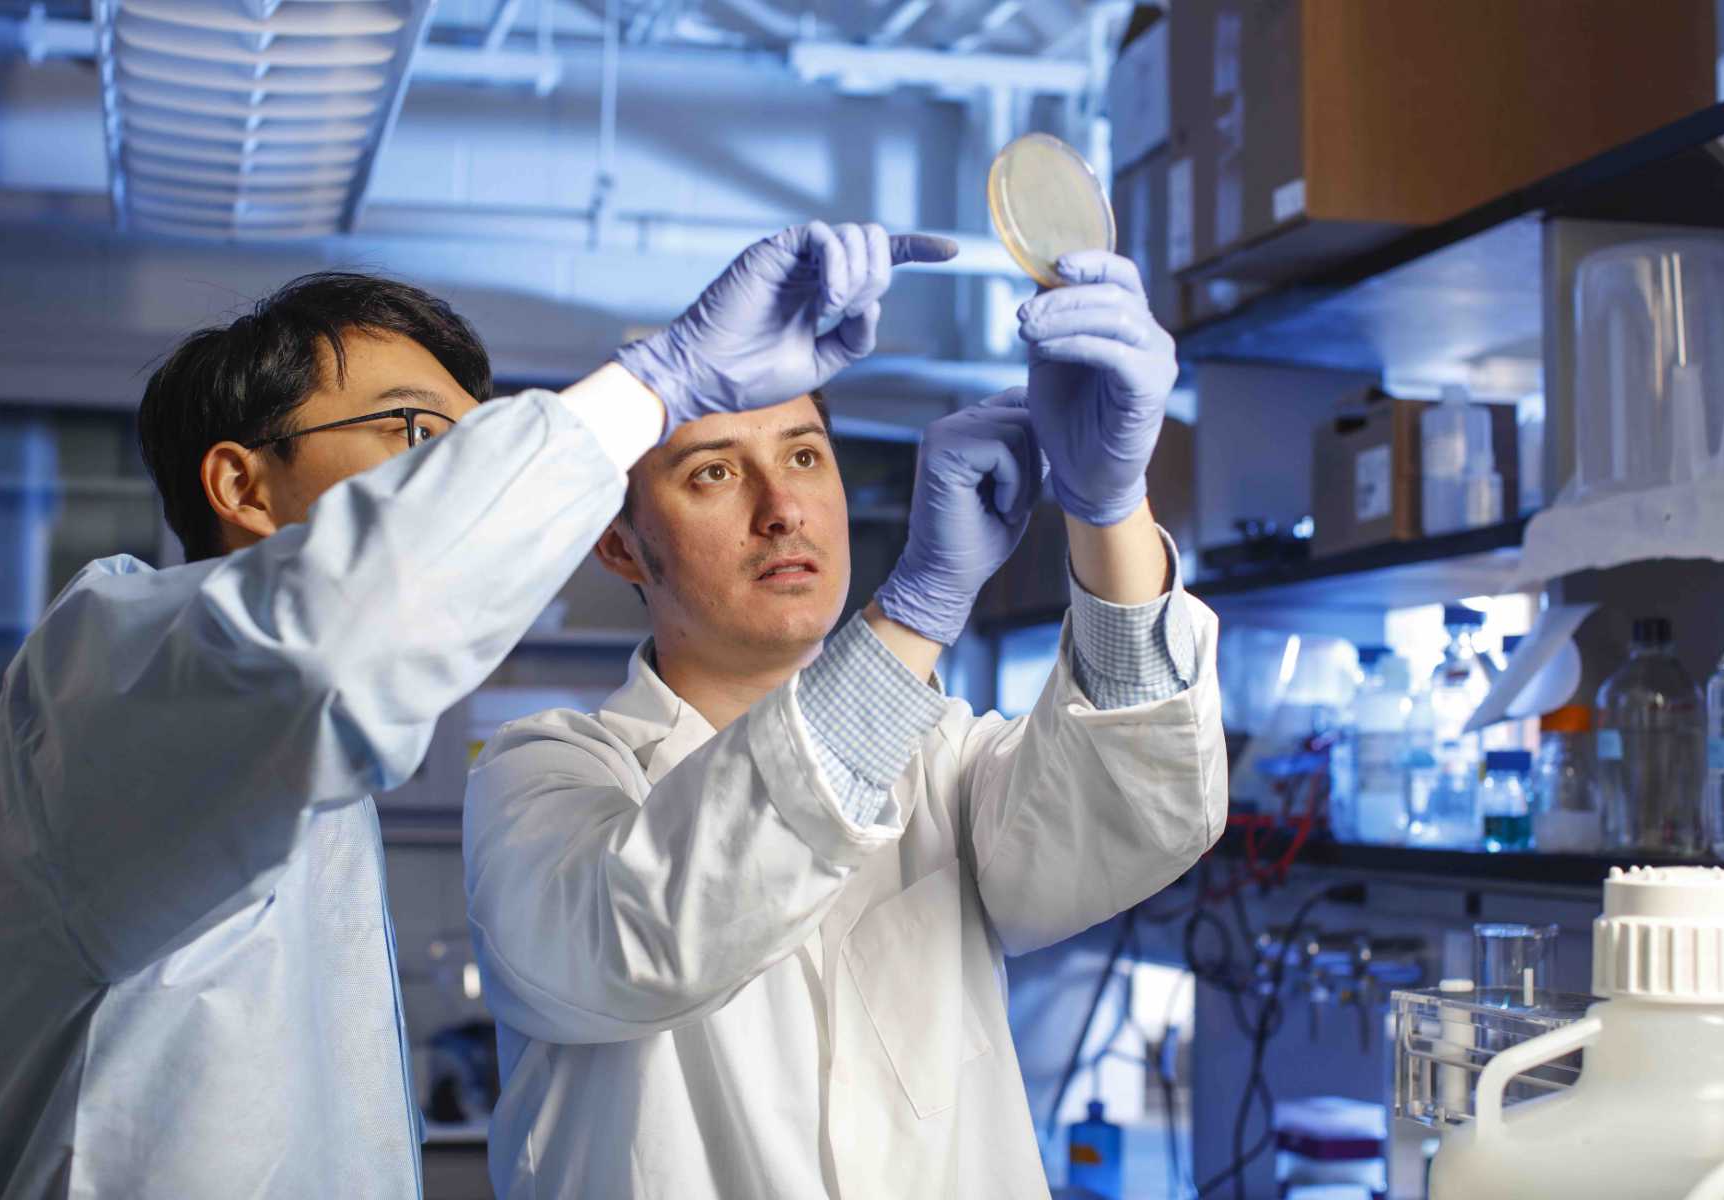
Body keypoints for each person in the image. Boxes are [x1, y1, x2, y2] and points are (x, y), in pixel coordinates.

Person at [0, 222, 956, 1199]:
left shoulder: (291, 774)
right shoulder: (109, 662)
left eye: (472, 447)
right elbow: (337, 638)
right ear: (242, 484)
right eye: (418, 434)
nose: (457, 484)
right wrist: (656, 383)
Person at [463, 250, 1227, 1198]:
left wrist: (1109, 509)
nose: (782, 509)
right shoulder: (544, 777)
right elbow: (642, 938)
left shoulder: (942, 758)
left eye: (802, 456)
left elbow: (1136, 816)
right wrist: (918, 609)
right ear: (622, 543)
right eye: (711, 474)